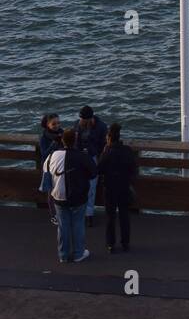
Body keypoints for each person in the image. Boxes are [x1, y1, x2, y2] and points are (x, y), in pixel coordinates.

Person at [43, 127, 96, 264]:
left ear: (62, 141)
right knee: (78, 224)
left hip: (59, 197)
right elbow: (93, 173)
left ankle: (63, 255)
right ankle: (79, 253)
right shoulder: (82, 156)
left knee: (62, 226)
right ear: (76, 140)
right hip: (79, 197)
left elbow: (46, 179)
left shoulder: (52, 157)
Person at [97, 122, 137, 252]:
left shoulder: (107, 153)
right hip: (124, 187)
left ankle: (110, 244)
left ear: (109, 138)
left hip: (110, 188)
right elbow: (133, 170)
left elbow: (99, 169)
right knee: (124, 216)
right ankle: (125, 243)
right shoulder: (127, 151)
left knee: (110, 217)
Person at [74, 105, 107, 226]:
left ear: (90, 118)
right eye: (80, 119)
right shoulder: (77, 124)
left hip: (93, 158)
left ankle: (89, 214)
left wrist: (96, 155)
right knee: (80, 185)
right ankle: (80, 212)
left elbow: (104, 145)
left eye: (83, 120)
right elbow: (74, 141)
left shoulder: (101, 127)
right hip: (80, 157)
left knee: (92, 187)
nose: (81, 122)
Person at [39, 114, 64, 226]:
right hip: (48, 167)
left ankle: (62, 213)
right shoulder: (44, 137)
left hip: (60, 166)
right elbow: (44, 154)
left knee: (60, 190)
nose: (57, 125)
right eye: (53, 124)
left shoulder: (62, 133)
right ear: (47, 125)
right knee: (50, 192)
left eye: (58, 123)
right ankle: (53, 215)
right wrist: (53, 145)